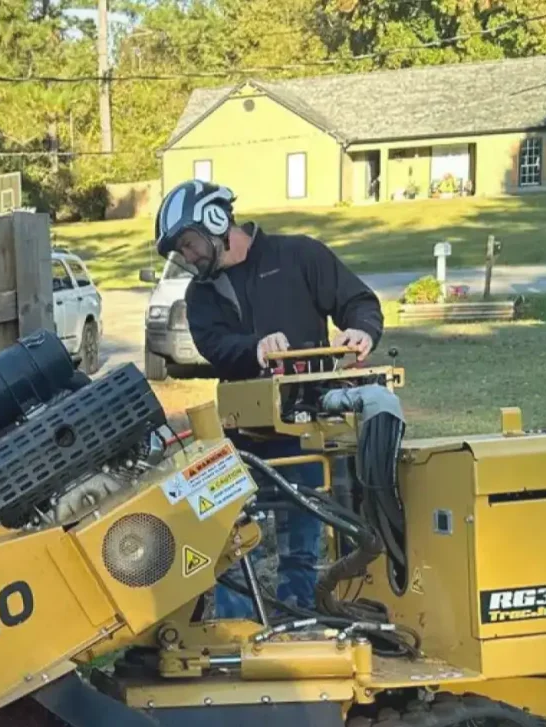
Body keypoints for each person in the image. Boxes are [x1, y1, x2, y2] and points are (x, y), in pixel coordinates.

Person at [153, 178, 385, 619]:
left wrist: (363, 330)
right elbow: (215, 347)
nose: (187, 257)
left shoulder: (299, 256)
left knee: (302, 540)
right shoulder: (199, 296)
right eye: (180, 251)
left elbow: (359, 301)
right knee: (233, 544)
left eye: (188, 243)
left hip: (303, 430)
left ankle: (300, 619)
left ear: (217, 220)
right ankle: (237, 633)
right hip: (241, 437)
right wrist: (254, 348)